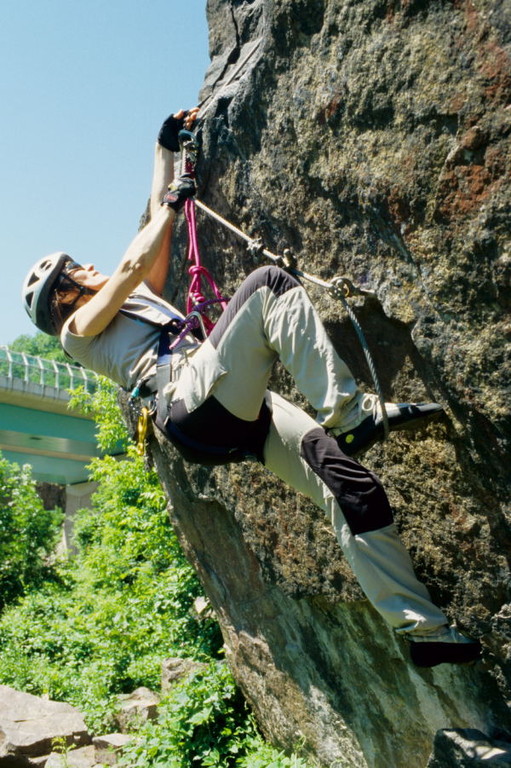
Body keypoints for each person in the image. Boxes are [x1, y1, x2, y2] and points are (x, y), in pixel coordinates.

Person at [22, 109, 481, 668]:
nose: (88, 265)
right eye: (76, 268)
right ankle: (352, 412)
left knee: (350, 489)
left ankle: (422, 632)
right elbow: (130, 262)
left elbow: (150, 243)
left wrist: (163, 150)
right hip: (189, 399)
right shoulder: (77, 333)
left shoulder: (133, 299)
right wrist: (168, 207)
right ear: (63, 296)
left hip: (228, 410)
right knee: (268, 286)